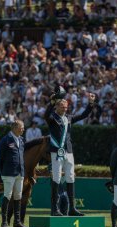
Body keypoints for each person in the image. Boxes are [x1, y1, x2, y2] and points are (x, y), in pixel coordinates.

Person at [45, 88, 96, 216]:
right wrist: (51, 103)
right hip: (56, 152)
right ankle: (54, 209)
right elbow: (46, 115)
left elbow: (84, 115)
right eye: (62, 107)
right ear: (56, 107)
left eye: (66, 107)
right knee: (56, 178)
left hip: (69, 151)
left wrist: (90, 104)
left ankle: (72, 208)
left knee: (71, 177)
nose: (64, 109)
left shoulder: (69, 118)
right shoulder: (52, 118)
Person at [0, 120, 28, 227]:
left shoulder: (22, 140)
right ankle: (4, 222)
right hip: (9, 172)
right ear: (14, 128)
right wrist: (3, 169)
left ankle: (17, 222)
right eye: (21, 127)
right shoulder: (5, 140)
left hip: (20, 172)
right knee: (7, 195)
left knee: (18, 196)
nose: (23, 129)